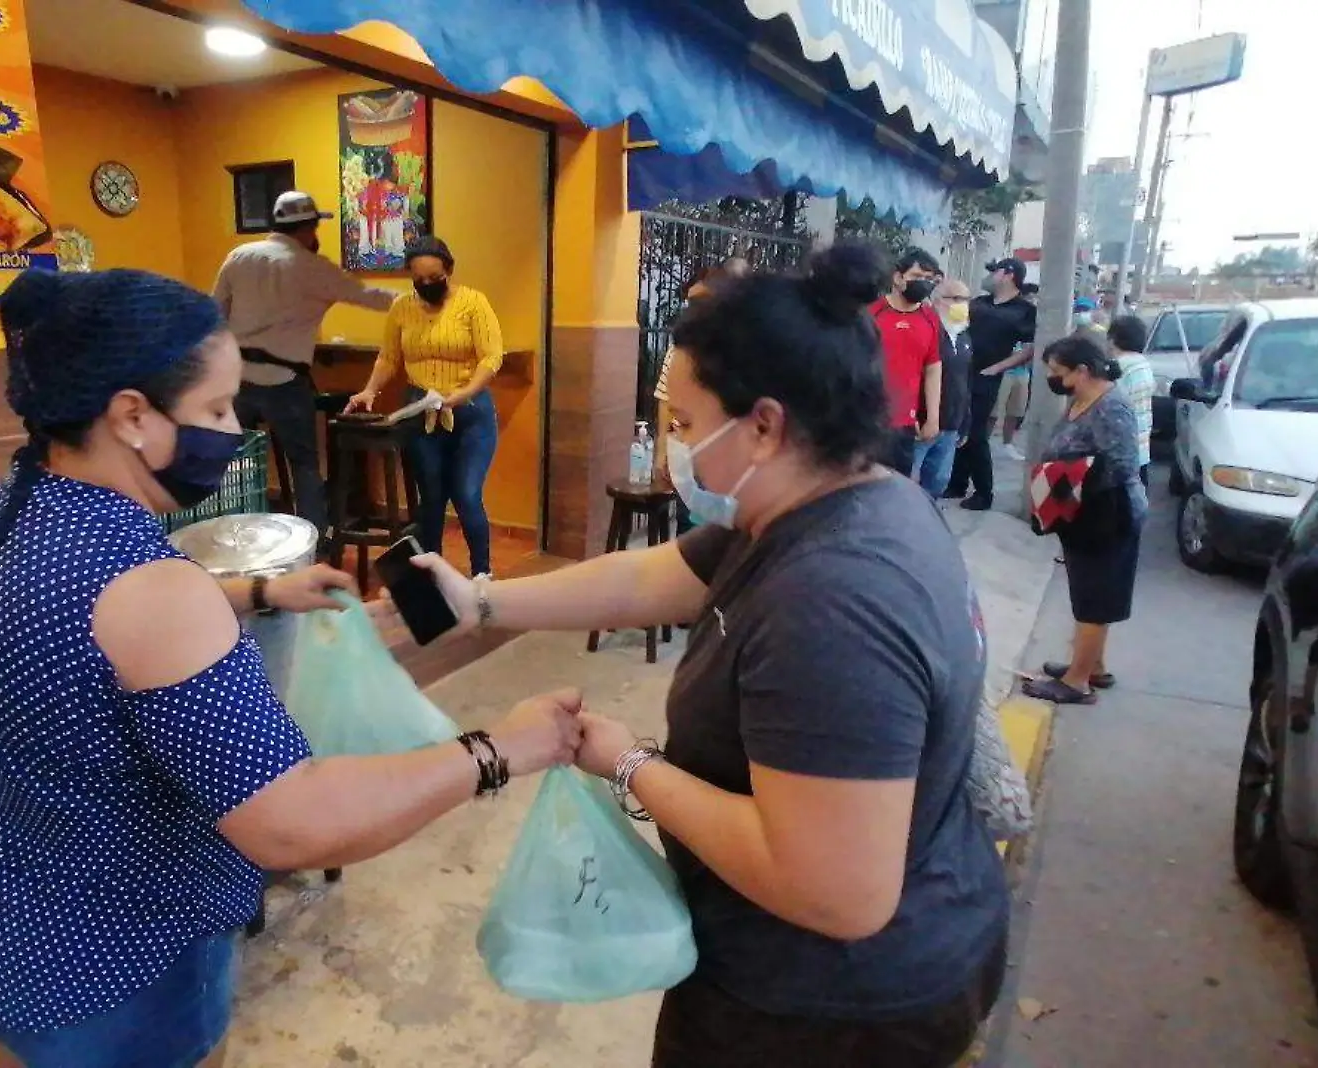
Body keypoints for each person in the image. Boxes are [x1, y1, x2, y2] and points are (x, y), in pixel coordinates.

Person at [0, 268, 581, 1068]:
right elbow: (293, 822)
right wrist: (501, 749)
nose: (231, 432)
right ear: (131, 417)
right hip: (109, 964)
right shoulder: (150, 587)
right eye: (217, 409)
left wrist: (259, 590)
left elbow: (89, 627)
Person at [393, 241, 1009, 1066]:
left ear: (763, 425)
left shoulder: (833, 600)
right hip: (848, 958)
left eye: (683, 424)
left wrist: (628, 763)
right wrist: (485, 602)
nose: (674, 446)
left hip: (828, 1010)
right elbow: (655, 575)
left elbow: (837, 893)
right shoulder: (844, 500)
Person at [214, 191, 395, 536]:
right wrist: (420, 303)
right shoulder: (314, 268)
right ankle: (313, 540)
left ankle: (234, 536)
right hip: (285, 380)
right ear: (309, 228)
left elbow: (215, 314)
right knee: (304, 466)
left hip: (236, 378)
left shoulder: (239, 256)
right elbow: (373, 298)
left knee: (232, 462)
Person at [345, 237, 507, 576]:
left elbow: (491, 357)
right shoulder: (402, 307)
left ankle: (482, 574)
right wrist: (370, 390)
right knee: (430, 497)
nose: (427, 285)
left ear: (449, 270)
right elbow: (389, 357)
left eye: (434, 278)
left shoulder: (473, 303)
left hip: (470, 412)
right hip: (421, 410)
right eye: (419, 280)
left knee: (465, 493)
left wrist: (464, 393)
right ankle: (431, 574)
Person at [1023, 334, 1146, 706]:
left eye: (1058, 372)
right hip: (1082, 513)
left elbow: (1121, 466)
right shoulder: (1082, 399)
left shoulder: (1112, 408)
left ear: (1083, 370)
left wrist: (1069, 479)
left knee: (1094, 598)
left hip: (1107, 515)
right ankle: (1093, 665)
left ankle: (1078, 683)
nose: (1053, 378)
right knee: (1091, 593)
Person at [656, 257, 751, 532]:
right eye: (691, 304)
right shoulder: (682, 349)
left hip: (729, 463)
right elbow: (667, 400)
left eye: (701, 304)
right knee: (692, 527)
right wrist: (667, 446)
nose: (694, 312)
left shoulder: (751, 350)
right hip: (697, 463)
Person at [948, 258, 1037, 508]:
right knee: (961, 428)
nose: (989, 277)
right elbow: (955, 324)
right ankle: (957, 483)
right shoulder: (979, 302)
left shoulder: (1024, 310)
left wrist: (998, 367)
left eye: (993, 272)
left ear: (1008, 275)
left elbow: (1030, 348)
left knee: (976, 433)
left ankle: (984, 493)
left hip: (987, 376)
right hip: (962, 372)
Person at [868, 248, 945, 473]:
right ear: (898, 278)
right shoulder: (872, 313)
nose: (923, 283)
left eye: (929, 279)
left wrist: (933, 417)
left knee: (897, 486)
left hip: (904, 424)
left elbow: (933, 368)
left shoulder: (930, 318)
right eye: (916, 277)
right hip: (868, 421)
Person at [917, 277, 973, 499]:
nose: (963, 305)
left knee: (938, 483)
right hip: (922, 425)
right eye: (957, 298)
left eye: (966, 299)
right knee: (908, 483)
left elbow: (965, 380)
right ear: (937, 301)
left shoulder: (963, 336)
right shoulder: (926, 330)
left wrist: (965, 421)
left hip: (951, 425)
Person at [1107, 314, 1156, 486]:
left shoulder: (1116, 368)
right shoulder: (1144, 364)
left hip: (1120, 451)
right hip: (1141, 447)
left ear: (1112, 340)